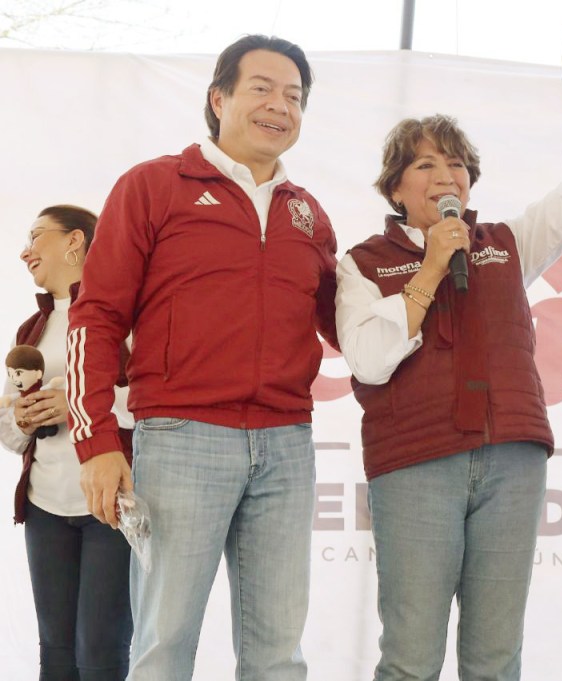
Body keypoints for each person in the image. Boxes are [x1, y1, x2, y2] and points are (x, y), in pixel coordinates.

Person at [335, 20, 562, 681]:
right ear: (395, 187)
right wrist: (431, 268)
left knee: (495, 657)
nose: (445, 174)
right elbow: (368, 359)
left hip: (512, 459)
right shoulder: (362, 263)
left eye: (456, 163)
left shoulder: (507, 243)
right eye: (425, 164)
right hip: (416, 464)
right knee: (411, 657)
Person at [67, 35, 339, 680]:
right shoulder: (153, 186)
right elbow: (96, 316)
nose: (280, 106)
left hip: (287, 444)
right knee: (164, 646)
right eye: (261, 89)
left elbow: (350, 326)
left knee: (279, 654)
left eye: (294, 96)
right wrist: (97, 441)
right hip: (181, 438)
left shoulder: (309, 214)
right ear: (218, 99)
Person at [0, 205, 133, 680]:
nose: (25, 252)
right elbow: (12, 434)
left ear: (75, 241)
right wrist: (19, 418)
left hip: (110, 506)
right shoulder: (30, 330)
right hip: (44, 508)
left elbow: (156, 405)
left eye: (36, 236)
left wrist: (78, 404)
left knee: (100, 652)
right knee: (55, 653)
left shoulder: (125, 318)